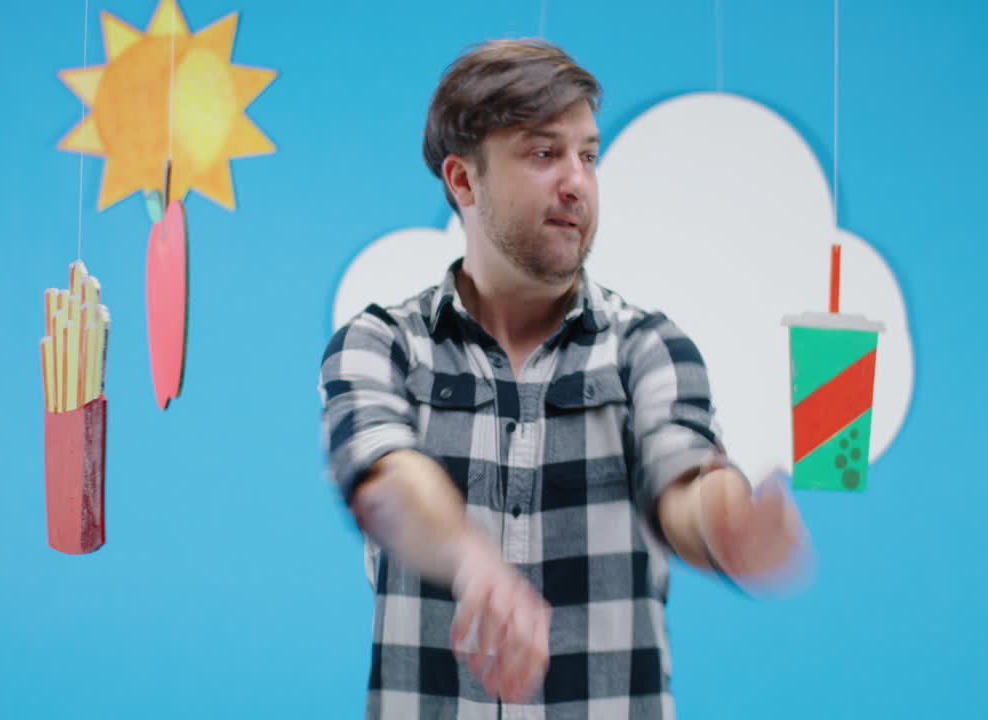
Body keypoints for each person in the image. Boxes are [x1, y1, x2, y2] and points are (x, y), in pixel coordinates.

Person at [320, 38, 809, 720]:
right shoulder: (381, 344)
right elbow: (384, 480)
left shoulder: (648, 347)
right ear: (464, 181)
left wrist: (724, 521)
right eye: (544, 153)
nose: (576, 181)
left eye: (588, 154)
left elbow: (684, 478)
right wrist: (473, 562)